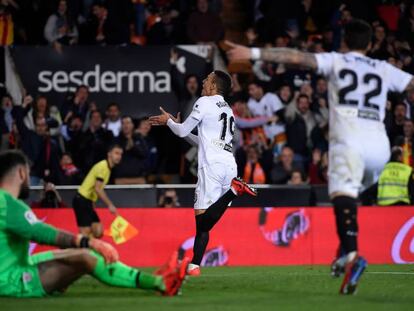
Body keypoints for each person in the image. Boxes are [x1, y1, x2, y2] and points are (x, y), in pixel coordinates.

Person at [226, 18, 414, 294]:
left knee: (342, 196)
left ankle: (351, 256)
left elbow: (296, 57)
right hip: (380, 146)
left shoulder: (336, 60)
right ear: (371, 44)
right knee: (352, 198)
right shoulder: (384, 68)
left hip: (349, 139)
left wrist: (252, 53)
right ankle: (343, 252)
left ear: (344, 42)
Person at [0, 150, 188, 297]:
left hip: (20, 264)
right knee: (86, 256)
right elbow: (42, 233)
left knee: (74, 252)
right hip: (11, 281)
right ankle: (160, 282)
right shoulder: (8, 203)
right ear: (22, 173)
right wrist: (89, 242)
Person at [149, 70, 257, 276]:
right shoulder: (227, 108)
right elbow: (201, 141)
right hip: (228, 165)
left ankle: (234, 191)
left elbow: (180, 131)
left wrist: (169, 122)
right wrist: (178, 126)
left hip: (212, 166)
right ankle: (194, 266)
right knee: (206, 224)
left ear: (214, 85)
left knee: (202, 221)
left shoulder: (204, 102)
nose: (203, 81)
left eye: (207, 79)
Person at [72, 144, 122, 238]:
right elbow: (98, 188)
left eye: (120, 154)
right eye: (116, 153)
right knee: (85, 233)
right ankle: (73, 247)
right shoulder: (103, 166)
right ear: (109, 154)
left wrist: (92, 203)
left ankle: (84, 247)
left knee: (98, 230)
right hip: (81, 200)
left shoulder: (108, 169)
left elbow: (95, 189)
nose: (119, 156)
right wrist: (110, 205)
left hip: (88, 201)